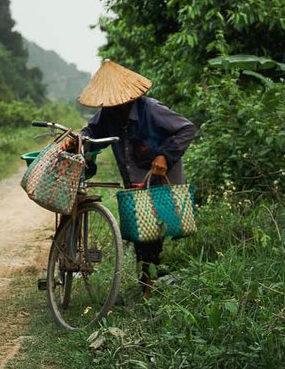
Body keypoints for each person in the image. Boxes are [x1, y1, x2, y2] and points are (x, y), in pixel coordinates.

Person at [78, 60, 198, 293]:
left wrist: (165, 155)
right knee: (141, 232)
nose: (113, 105)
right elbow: (92, 131)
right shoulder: (108, 114)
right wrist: (81, 138)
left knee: (152, 234)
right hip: (133, 179)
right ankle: (147, 283)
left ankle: (149, 285)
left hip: (158, 175)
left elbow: (186, 128)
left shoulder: (151, 109)